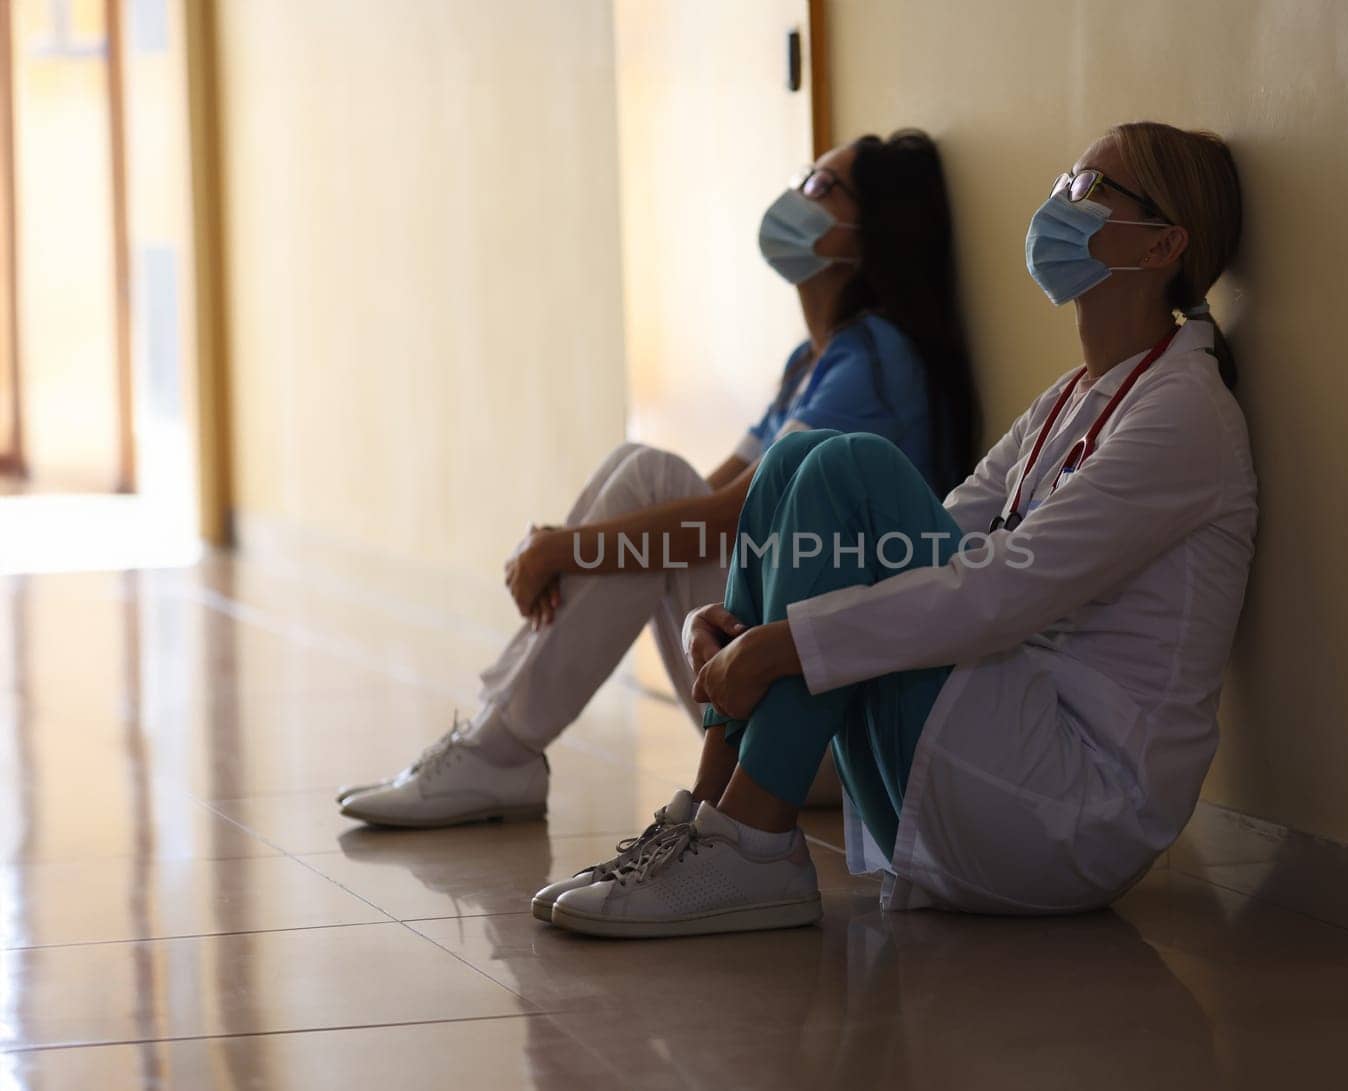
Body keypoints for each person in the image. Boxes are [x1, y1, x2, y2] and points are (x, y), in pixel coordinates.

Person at [536, 120, 1259, 937]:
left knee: (853, 468)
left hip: (1070, 807)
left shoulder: (1185, 412)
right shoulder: (1071, 396)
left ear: (1163, 244)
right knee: (796, 460)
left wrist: (777, 645)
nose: (1057, 204)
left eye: (1087, 191)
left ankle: (755, 844)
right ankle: (712, 820)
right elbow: (941, 538)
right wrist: (746, 624)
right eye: (1062, 182)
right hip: (991, 754)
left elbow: (1002, 591)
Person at [339, 130, 979, 829]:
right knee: (643, 474)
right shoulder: (812, 361)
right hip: (769, 692)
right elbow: (705, 497)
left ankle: (501, 749)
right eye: (802, 178)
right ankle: (499, 741)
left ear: (871, 232)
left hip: (833, 726)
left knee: (647, 481)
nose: (796, 198)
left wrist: (568, 548)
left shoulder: (879, 362)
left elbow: (720, 516)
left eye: (822, 188)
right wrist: (581, 541)